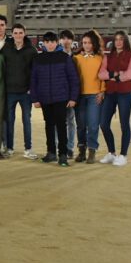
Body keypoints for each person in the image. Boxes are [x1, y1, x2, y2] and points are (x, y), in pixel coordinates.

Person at [31, 31, 80, 167]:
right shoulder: (38, 59)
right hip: (45, 99)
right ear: (44, 44)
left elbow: (73, 79)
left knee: (61, 125)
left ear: (56, 42)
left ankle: (63, 154)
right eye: (47, 42)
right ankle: (51, 152)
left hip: (61, 98)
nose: (50, 44)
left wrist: (72, 98)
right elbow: (33, 80)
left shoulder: (65, 58)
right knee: (49, 125)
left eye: (52, 42)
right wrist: (35, 98)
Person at [98, 31, 131, 167]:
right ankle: (112, 153)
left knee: (124, 124)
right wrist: (115, 74)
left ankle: (123, 155)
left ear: (125, 41)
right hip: (110, 93)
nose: (118, 42)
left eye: (121, 39)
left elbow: (130, 74)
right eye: (116, 39)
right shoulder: (107, 57)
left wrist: (113, 77)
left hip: (125, 93)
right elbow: (101, 74)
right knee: (103, 123)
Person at [0, 24, 38, 159]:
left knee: (26, 121)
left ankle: (28, 149)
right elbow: (1, 67)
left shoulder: (31, 50)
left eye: (20, 33)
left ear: (24, 33)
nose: (18, 36)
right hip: (9, 92)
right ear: (12, 34)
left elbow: (35, 72)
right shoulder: (6, 48)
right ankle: (9, 148)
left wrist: (31, 89)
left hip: (25, 93)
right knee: (9, 121)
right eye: (15, 33)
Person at [73, 30, 105, 164]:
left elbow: (103, 76)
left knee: (92, 125)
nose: (86, 45)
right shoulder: (76, 58)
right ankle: (81, 151)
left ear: (94, 44)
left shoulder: (100, 58)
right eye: (84, 43)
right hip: (79, 96)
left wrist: (102, 91)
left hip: (94, 96)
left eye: (89, 43)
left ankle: (92, 151)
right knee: (80, 126)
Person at [59, 29, 78, 158]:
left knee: (70, 121)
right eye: (63, 38)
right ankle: (59, 147)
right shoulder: (55, 56)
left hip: (72, 94)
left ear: (72, 41)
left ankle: (70, 147)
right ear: (60, 40)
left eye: (68, 39)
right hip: (59, 94)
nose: (66, 41)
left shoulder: (76, 57)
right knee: (58, 122)